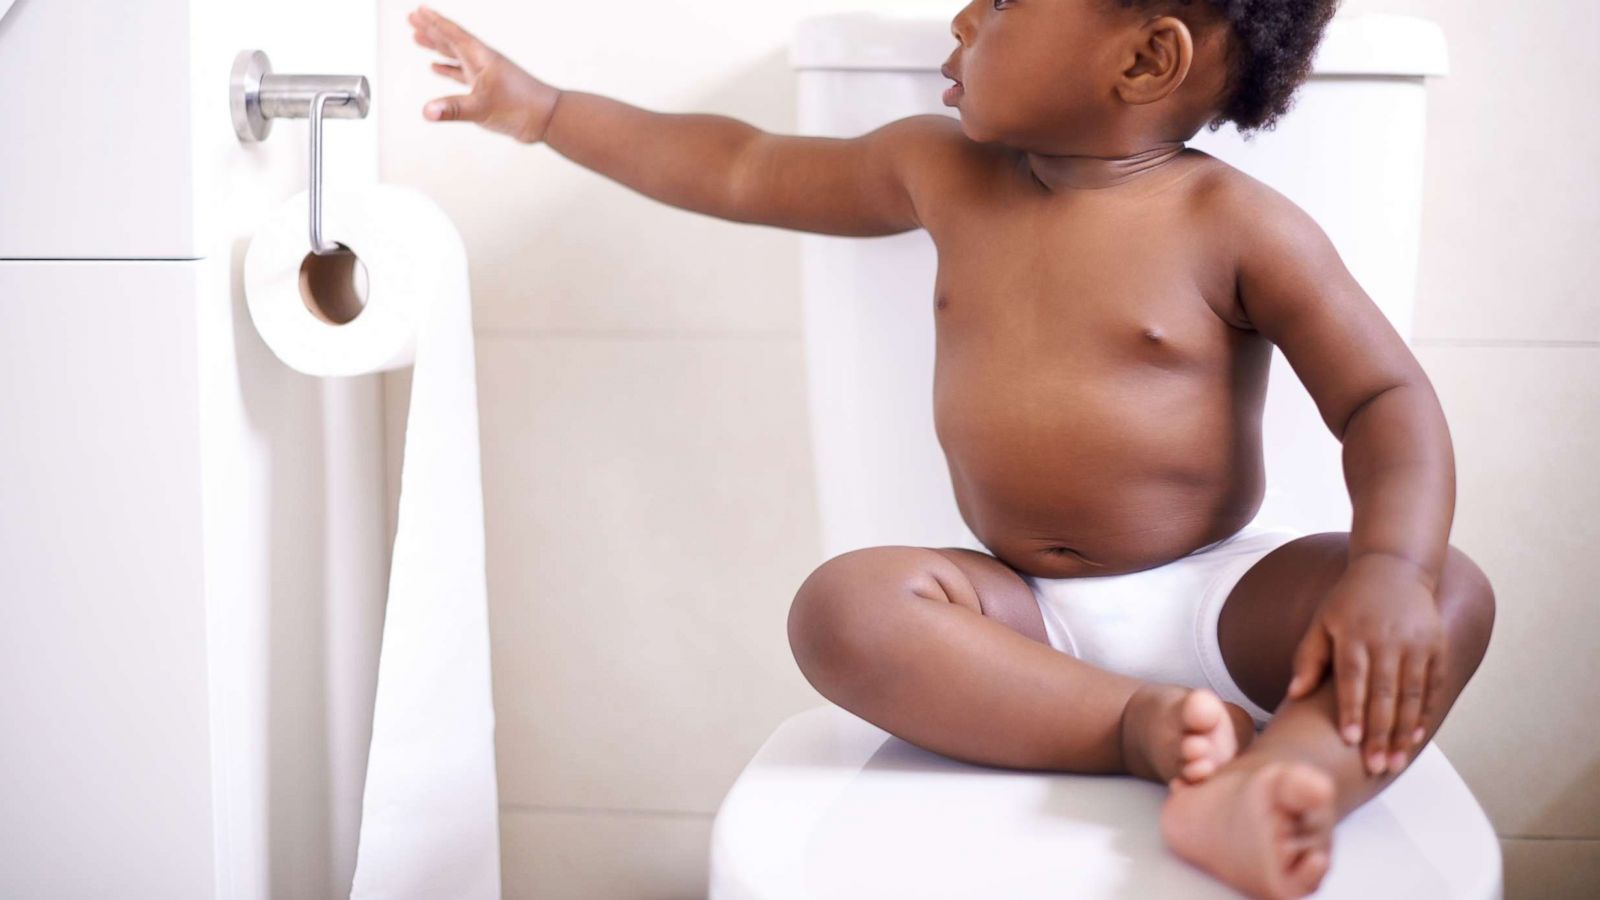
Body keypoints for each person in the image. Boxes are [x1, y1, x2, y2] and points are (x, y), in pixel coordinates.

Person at [406, 3, 1496, 897]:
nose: (966, 18)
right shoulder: (940, 171)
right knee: (843, 609)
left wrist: (1391, 571)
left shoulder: (1239, 226)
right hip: (1019, 618)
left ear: (1144, 56)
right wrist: (544, 112)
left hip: (1222, 600)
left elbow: (1384, 399)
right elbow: (739, 166)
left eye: (1006, 3)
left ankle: (1290, 779)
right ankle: (1135, 730)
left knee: (1450, 593)